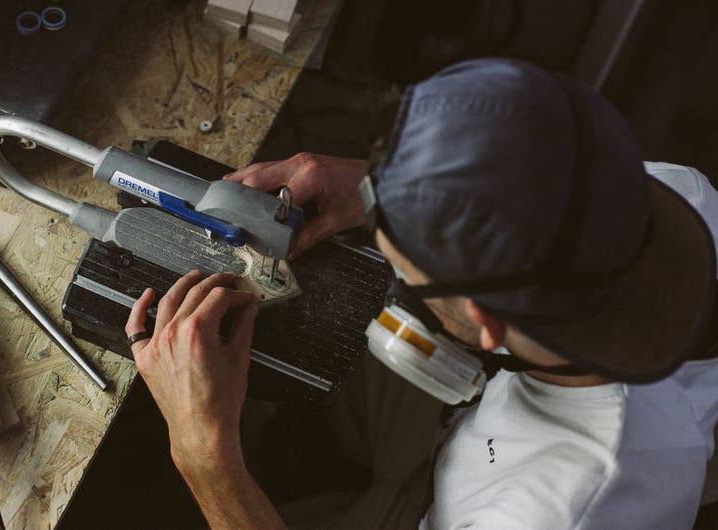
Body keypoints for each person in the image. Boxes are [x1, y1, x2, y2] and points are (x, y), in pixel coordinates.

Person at [124, 58, 718, 529]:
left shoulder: (550, 510)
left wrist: (207, 461)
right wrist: (385, 184)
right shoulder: (672, 201)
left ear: (484, 324)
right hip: (467, 420)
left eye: (407, 275)